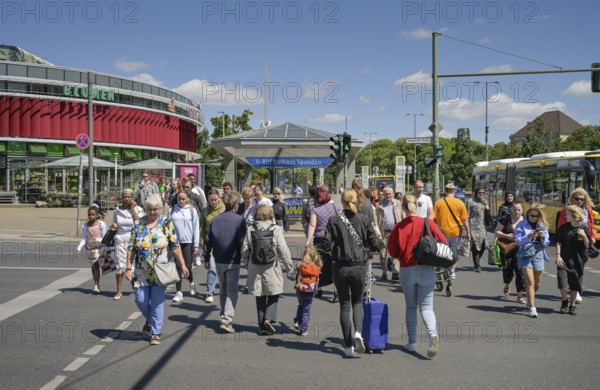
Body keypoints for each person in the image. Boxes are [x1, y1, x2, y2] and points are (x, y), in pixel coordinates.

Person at [124, 194, 189, 345]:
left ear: (160, 209)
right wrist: (128, 267)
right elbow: (131, 248)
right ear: (145, 209)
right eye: (149, 209)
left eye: (155, 209)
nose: (152, 212)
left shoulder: (166, 223)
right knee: (140, 300)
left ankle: (156, 332)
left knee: (158, 303)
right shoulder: (139, 224)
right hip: (142, 271)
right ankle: (150, 320)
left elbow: (175, 245)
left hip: (161, 271)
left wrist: (183, 264)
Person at [388, 194, 446, 358]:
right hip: (427, 269)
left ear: (403, 208)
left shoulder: (399, 227)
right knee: (427, 307)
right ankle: (432, 334)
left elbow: (393, 251)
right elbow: (443, 242)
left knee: (411, 306)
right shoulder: (428, 223)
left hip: (407, 269)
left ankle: (412, 343)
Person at [325, 188, 378, 357]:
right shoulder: (364, 219)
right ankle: (358, 333)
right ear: (356, 200)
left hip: (340, 267)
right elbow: (373, 243)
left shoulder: (334, 220)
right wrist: (369, 252)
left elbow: (325, 244)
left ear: (342, 201)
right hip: (359, 266)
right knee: (357, 302)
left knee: (344, 306)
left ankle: (348, 347)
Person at [241, 204, 293, 335]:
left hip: (255, 265)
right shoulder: (275, 229)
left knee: (259, 295)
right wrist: (289, 267)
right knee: (274, 293)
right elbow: (283, 250)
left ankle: (262, 326)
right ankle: (269, 318)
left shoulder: (251, 228)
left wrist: (247, 264)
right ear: (270, 214)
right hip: (272, 266)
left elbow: (245, 249)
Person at [204, 192, 247, 333]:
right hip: (233, 259)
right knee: (232, 290)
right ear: (236, 205)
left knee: (223, 288)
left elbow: (208, 240)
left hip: (218, 258)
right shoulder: (240, 220)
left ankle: (224, 314)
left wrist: (206, 257)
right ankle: (226, 319)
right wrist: (245, 258)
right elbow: (241, 242)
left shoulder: (215, 219)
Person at [557, 187, 598, 304]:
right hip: (569, 242)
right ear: (572, 198)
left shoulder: (588, 210)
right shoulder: (567, 210)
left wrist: (593, 237)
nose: (579, 201)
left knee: (579, 267)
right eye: (577, 198)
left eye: (581, 199)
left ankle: (575, 290)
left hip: (582, 242)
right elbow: (561, 226)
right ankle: (573, 291)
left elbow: (590, 226)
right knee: (566, 269)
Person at [514, 204, 550, 319]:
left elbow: (546, 244)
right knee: (530, 281)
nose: (534, 218)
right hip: (525, 254)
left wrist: (543, 237)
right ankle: (532, 308)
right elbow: (518, 241)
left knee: (537, 282)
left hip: (538, 253)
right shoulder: (521, 224)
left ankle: (530, 299)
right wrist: (528, 236)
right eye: (532, 216)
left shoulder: (542, 226)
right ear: (527, 215)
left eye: (536, 216)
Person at [306, 185, 339, 302]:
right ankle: (336, 292)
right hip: (334, 240)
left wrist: (308, 240)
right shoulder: (336, 208)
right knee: (334, 265)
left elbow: (312, 225)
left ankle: (318, 288)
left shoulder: (315, 210)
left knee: (318, 265)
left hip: (320, 240)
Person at [555, 205, 591, 315]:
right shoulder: (563, 227)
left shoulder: (583, 228)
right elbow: (558, 242)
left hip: (578, 261)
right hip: (564, 260)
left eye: (568, 214)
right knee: (562, 282)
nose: (566, 215)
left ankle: (572, 305)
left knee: (575, 284)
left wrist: (584, 236)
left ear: (575, 215)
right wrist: (558, 256)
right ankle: (565, 301)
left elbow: (588, 245)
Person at [110, 189, 143, 300]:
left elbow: (139, 223)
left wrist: (133, 208)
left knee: (132, 267)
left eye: (129, 197)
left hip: (132, 240)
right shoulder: (117, 210)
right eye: (125, 197)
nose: (127, 199)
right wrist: (114, 225)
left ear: (132, 198)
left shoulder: (138, 209)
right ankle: (119, 291)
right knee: (120, 267)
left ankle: (136, 290)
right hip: (120, 239)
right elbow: (114, 223)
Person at [433, 183, 470, 280]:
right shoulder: (460, 203)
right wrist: (468, 233)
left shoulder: (439, 203)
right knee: (454, 252)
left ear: (445, 191)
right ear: (454, 191)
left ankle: (441, 269)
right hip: (455, 233)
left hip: (441, 233)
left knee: (441, 252)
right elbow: (465, 220)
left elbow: (433, 218)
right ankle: (452, 271)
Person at [169, 190, 200, 302]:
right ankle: (179, 291)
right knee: (178, 265)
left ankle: (191, 283)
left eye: (183, 199)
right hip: (175, 242)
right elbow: (168, 226)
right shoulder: (172, 210)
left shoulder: (192, 211)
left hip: (188, 242)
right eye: (179, 199)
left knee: (187, 266)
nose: (181, 201)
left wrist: (196, 244)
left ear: (187, 199)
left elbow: (196, 228)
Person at [495, 201, 525, 303]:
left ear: (522, 210)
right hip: (506, 248)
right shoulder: (506, 218)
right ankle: (507, 284)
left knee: (519, 271)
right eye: (514, 209)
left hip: (520, 249)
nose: (516, 212)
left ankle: (520, 295)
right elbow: (497, 231)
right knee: (508, 270)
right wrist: (507, 236)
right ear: (511, 209)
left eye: (519, 210)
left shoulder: (525, 220)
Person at [200, 189, 225, 303]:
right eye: (211, 200)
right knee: (212, 268)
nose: (213, 202)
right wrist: (201, 244)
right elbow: (201, 228)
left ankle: (225, 290)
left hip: (223, 241)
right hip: (209, 241)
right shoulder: (205, 211)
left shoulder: (224, 209)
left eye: (215, 200)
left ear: (219, 198)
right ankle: (209, 292)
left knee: (225, 269)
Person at [76, 205, 108, 295]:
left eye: (93, 214)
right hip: (91, 249)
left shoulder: (101, 224)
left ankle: (97, 284)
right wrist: (79, 248)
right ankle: (96, 284)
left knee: (99, 265)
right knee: (94, 265)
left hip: (100, 248)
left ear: (97, 215)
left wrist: (102, 245)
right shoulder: (85, 225)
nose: (91, 216)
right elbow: (83, 238)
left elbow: (105, 237)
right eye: (89, 214)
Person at [373, 186, 403, 281]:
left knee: (396, 253)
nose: (388, 196)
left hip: (395, 232)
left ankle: (395, 272)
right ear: (383, 195)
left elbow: (402, 218)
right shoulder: (379, 205)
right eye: (386, 194)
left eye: (390, 194)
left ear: (393, 194)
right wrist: (378, 233)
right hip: (383, 233)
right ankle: (385, 273)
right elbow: (375, 221)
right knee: (383, 254)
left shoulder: (398, 204)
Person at [293, 246, 322, 336]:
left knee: (301, 306)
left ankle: (298, 321)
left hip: (300, 289)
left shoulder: (300, 266)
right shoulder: (316, 268)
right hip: (310, 290)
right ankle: (304, 329)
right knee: (306, 310)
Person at [466, 187, 489, 273]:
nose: (481, 194)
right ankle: (477, 265)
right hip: (473, 226)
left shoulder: (485, 201)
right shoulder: (470, 201)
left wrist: (487, 208)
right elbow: (467, 215)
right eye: (479, 192)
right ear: (476, 193)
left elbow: (487, 214)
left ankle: (477, 259)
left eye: (483, 193)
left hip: (483, 226)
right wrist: (467, 228)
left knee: (483, 245)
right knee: (476, 245)